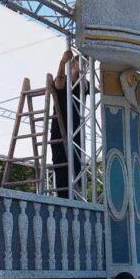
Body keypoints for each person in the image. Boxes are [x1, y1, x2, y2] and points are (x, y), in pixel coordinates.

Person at [50, 49, 82, 199]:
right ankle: (63, 199)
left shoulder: (84, 85)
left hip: (77, 132)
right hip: (60, 132)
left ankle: (77, 197)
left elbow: (100, 90)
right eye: (79, 63)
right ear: (73, 65)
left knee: (77, 167)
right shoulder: (65, 80)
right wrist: (62, 62)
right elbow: (58, 83)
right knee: (62, 168)